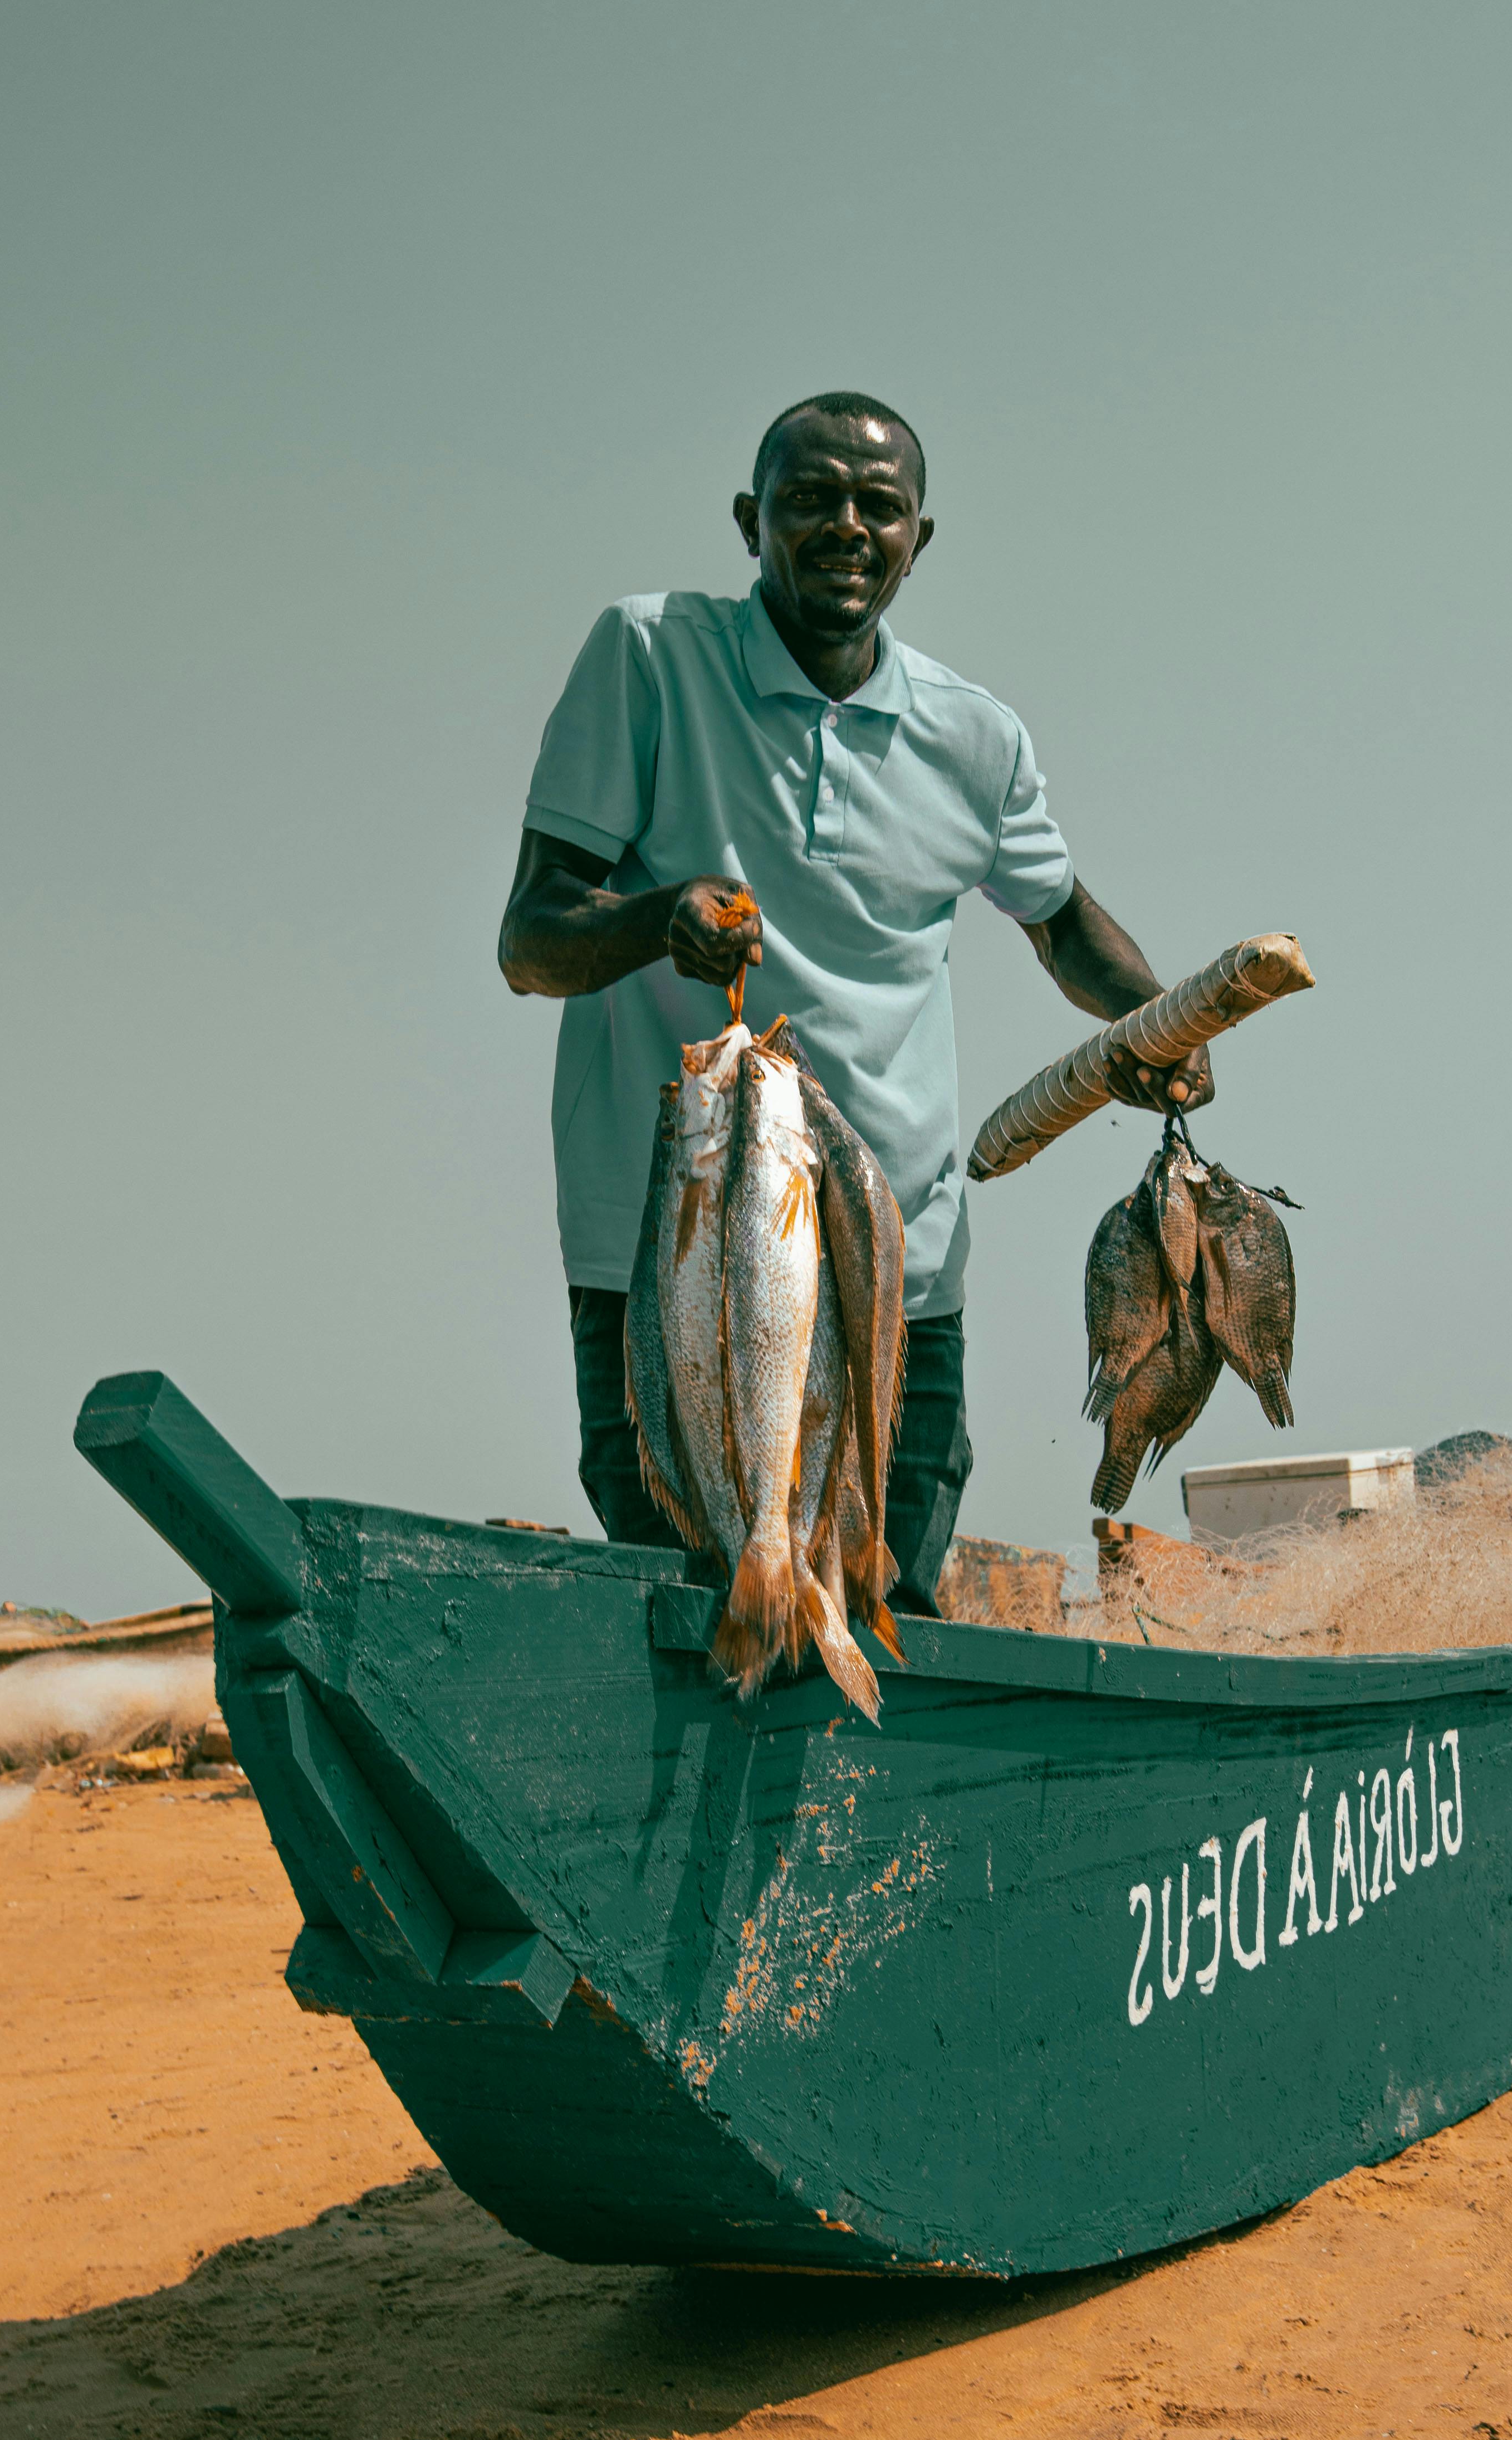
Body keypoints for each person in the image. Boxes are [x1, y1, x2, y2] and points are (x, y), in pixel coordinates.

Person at [498, 389, 1210, 1611]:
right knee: (691, 1603)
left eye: (877, 507)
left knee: (889, 1608)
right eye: (807, 500)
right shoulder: (651, 657)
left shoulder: (973, 737)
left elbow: (1060, 922)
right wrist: (652, 916)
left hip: (899, 1259)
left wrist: (1163, 1020)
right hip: (669, 1250)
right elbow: (532, 941)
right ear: (748, 520)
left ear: (916, 540)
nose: (844, 527)